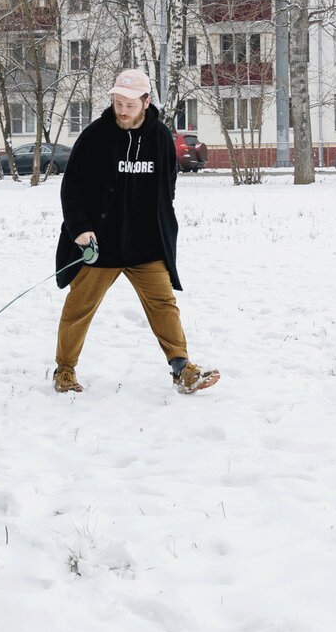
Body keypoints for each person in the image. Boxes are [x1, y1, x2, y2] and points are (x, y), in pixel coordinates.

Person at [52, 68, 219, 396]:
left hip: (145, 245)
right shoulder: (95, 136)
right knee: (79, 308)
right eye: (117, 102)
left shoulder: (159, 138)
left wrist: (158, 222)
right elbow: (71, 188)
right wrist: (81, 230)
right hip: (100, 245)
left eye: (129, 103)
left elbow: (167, 185)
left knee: (164, 304)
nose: (123, 109)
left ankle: (182, 369)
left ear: (146, 101)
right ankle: (65, 371)